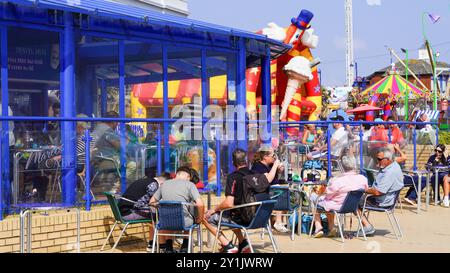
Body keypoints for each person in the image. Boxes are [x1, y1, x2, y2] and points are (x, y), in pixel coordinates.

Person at [203, 148, 281, 253]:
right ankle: (243, 243)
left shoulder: (233, 177)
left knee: (205, 218)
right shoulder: (255, 174)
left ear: (233, 163)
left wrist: (213, 209)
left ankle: (227, 245)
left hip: (244, 218)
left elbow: (228, 203)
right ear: (245, 161)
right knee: (231, 212)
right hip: (259, 218)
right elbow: (268, 180)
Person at [310, 156, 368, 238]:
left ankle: (318, 226)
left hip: (338, 206)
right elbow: (365, 190)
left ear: (342, 167)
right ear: (355, 165)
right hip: (354, 206)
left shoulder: (338, 180)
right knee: (328, 201)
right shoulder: (363, 179)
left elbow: (328, 195)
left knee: (313, 197)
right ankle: (331, 227)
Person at [150, 166, 205, 253]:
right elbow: (200, 204)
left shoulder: (164, 184)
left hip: (164, 222)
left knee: (169, 216)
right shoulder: (190, 185)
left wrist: (161, 205)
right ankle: (185, 247)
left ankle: (169, 248)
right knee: (191, 216)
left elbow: (151, 202)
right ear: (188, 177)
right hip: (183, 222)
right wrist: (200, 219)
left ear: (177, 174)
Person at [356, 147, 404, 236]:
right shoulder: (392, 165)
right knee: (358, 198)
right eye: (376, 158)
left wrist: (363, 189)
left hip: (383, 202)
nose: (377, 161)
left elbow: (378, 192)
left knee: (353, 201)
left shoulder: (389, 172)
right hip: (386, 198)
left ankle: (367, 227)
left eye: (379, 159)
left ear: (388, 159)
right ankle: (367, 225)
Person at [118, 172, 171, 251]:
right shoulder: (153, 185)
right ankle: (162, 246)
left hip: (122, 211)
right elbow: (154, 202)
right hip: (129, 212)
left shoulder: (145, 180)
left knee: (153, 215)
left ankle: (152, 243)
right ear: (163, 183)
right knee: (161, 215)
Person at [251, 146, 288, 233]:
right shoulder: (258, 167)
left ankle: (279, 221)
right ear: (265, 157)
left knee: (287, 193)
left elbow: (274, 180)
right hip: (263, 194)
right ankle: (278, 221)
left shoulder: (270, 165)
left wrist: (279, 170)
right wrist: (275, 166)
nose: (274, 157)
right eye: (273, 155)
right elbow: (268, 180)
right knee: (280, 191)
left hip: (272, 192)